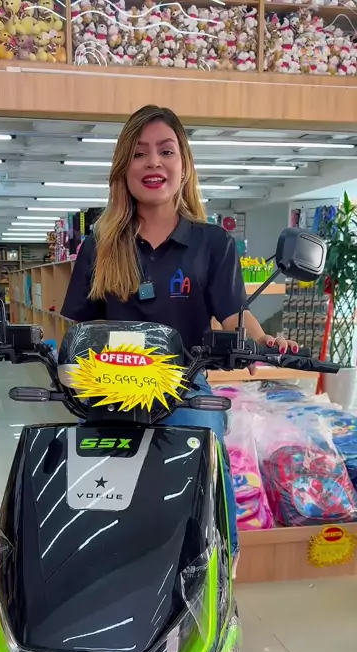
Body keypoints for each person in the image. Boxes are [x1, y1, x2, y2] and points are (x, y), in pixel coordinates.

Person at [62, 104, 299, 571]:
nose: (153, 162)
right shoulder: (99, 244)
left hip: (185, 387)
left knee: (209, 471)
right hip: (109, 391)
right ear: (123, 168)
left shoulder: (214, 244)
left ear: (184, 164)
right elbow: (79, 329)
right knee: (91, 505)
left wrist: (265, 342)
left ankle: (221, 564)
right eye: (139, 153)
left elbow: (235, 316)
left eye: (166, 151)